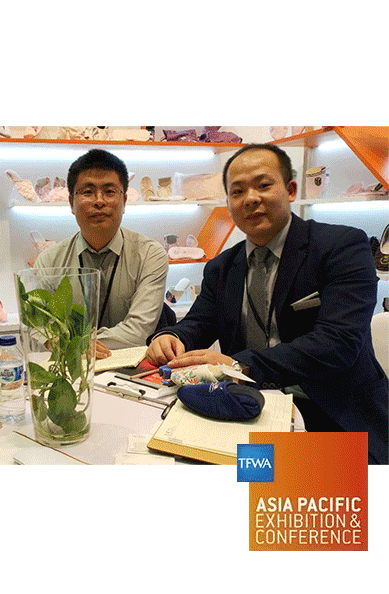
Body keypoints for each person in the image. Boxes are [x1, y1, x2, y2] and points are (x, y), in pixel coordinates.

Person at [146, 143, 388, 464]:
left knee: (258, 483)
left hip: (333, 417)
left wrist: (238, 365)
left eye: (263, 185)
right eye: (237, 191)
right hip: (249, 408)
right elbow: (199, 323)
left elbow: (338, 343)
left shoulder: (341, 247)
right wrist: (172, 337)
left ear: (291, 190)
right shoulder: (222, 267)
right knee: (164, 455)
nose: (250, 198)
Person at [34, 149, 169, 357]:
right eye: (88, 192)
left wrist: (78, 343)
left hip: (131, 368)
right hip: (70, 366)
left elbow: (139, 330)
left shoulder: (150, 255)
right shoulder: (50, 261)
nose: (99, 201)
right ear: (71, 203)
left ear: (124, 201)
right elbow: (38, 326)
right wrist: (64, 344)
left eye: (109, 192)